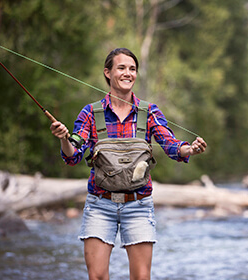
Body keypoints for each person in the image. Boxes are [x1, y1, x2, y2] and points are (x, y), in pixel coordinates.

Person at [50, 48, 207, 280]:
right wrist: (64, 139)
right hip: (99, 205)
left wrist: (190, 149)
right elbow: (72, 156)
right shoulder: (90, 113)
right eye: (121, 68)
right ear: (108, 72)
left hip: (139, 205)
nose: (128, 73)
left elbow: (171, 145)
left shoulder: (149, 112)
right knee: (97, 277)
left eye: (132, 69)